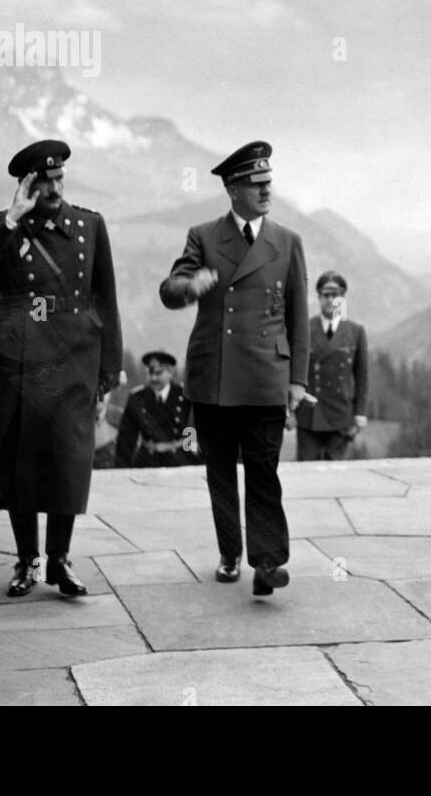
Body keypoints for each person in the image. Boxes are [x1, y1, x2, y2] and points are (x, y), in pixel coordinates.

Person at [0, 139, 122, 598]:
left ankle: (59, 560)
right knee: (19, 461)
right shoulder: (2, 227)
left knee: (68, 459)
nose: (53, 186)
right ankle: (26, 560)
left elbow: (105, 300)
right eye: (43, 180)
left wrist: (110, 370)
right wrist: (11, 217)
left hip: (74, 361)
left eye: (58, 177)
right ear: (27, 183)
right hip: (15, 360)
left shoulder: (89, 226)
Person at [160, 141, 308, 595]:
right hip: (215, 375)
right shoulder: (204, 236)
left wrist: (297, 380)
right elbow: (169, 290)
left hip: (266, 375)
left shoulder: (287, 241)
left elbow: (298, 315)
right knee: (220, 469)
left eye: (268, 182)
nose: (267, 191)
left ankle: (267, 562)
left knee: (263, 468)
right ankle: (230, 552)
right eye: (257, 184)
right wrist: (190, 285)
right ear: (233, 189)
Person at [296, 271, 369, 461]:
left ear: (342, 299)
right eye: (325, 295)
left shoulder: (355, 331)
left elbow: (361, 377)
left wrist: (360, 413)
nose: (330, 300)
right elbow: (292, 370)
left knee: (335, 476)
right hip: (309, 415)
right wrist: (289, 411)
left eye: (335, 295)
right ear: (318, 298)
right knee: (306, 474)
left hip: (340, 415)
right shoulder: (305, 328)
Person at [115, 351, 199, 468]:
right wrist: (122, 468)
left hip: (180, 461)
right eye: (150, 373)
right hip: (147, 462)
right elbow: (126, 438)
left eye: (159, 373)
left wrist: (194, 460)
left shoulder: (184, 395)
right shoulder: (137, 397)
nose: (153, 378)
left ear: (170, 373)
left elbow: (193, 428)